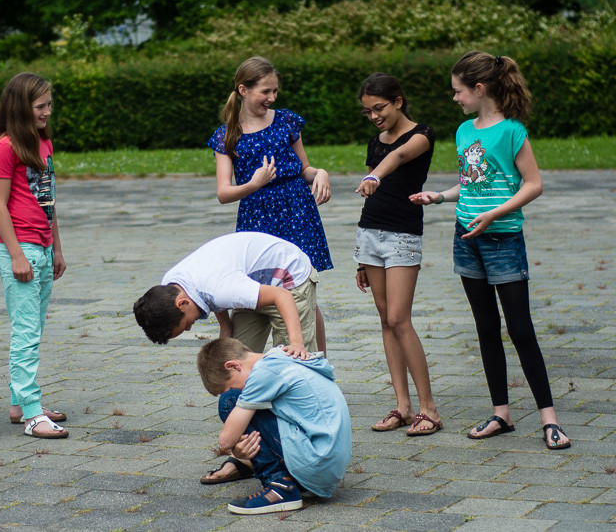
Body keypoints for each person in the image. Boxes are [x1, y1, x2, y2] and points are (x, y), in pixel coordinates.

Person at [410, 51, 570, 449]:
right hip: (467, 238)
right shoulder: (466, 131)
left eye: (458, 91)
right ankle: (502, 413)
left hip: (502, 240)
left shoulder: (513, 131)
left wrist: (493, 215)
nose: (455, 98)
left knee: (520, 329)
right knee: (485, 328)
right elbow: (472, 182)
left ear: (479, 89)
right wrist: (440, 197)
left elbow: (532, 185)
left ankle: (550, 420)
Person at [207, 56, 332, 353]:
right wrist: (253, 184)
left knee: (302, 292)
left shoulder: (286, 120)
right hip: (257, 218)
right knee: (260, 290)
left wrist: (321, 173)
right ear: (243, 89)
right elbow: (223, 192)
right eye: (266, 91)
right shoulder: (227, 135)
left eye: (275, 91)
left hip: (296, 211)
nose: (272, 97)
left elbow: (305, 168)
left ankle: (319, 364)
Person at [353, 73, 441, 436]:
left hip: (402, 236)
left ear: (399, 101)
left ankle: (429, 409)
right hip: (369, 234)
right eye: (367, 111)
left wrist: (374, 175)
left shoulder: (421, 134)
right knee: (385, 319)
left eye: (380, 108)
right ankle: (403, 407)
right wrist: (361, 257)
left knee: (399, 318)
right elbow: (380, 169)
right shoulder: (376, 140)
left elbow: (400, 156)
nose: (374, 116)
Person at [0, 72, 69, 439]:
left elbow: (49, 200)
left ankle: (20, 402)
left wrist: (57, 247)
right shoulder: (4, 148)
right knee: (25, 332)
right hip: (18, 250)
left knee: (32, 329)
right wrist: (17, 255)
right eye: (41, 106)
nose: (47, 111)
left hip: (43, 248)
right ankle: (33, 416)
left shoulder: (43, 143)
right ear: (21, 107)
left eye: (49, 104)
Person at [197, 338, 351, 514]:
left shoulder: (265, 372)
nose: (235, 389)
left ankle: (280, 487)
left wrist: (237, 448)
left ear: (233, 366)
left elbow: (225, 440)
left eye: (229, 385)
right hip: (325, 464)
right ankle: (293, 480)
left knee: (230, 401)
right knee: (246, 408)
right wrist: (240, 453)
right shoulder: (279, 357)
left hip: (316, 462)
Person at [134, 232, 320, 360]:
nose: (190, 328)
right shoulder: (170, 283)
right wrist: (225, 326)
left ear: (182, 303)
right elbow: (206, 296)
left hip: (288, 279)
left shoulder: (222, 288)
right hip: (250, 283)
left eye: (186, 325)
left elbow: (282, 296)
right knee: (235, 359)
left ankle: (312, 402)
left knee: (293, 360)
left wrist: (297, 342)